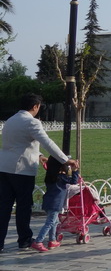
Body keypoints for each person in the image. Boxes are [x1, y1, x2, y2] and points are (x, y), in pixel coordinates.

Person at [0, 93, 78, 252]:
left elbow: (18, 143)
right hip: (21, 169)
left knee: (4, 206)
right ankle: (24, 240)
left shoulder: (10, 120)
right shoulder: (32, 122)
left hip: (4, 167)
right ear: (35, 106)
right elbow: (47, 142)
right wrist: (64, 160)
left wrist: (39, 156)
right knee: (23, 206)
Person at [30, 156, 80, 252]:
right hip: (55, 203)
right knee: (50, 222)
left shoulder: (51, 177)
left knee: (55, 221)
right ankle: (38, 241)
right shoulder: (62, 178)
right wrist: (75, 171)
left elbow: (52, 166)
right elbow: (73, 182)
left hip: (48, 202)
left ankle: (52, 240)